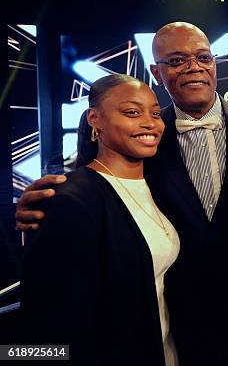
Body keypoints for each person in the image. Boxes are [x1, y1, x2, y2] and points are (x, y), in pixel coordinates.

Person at [16, 22, 228, 365]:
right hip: (178, 331)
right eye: (176, 61)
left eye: (203, 57)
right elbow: (48, 324)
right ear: (157, 73)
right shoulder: (145, 145)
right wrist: (44, 208)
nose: (193, 67)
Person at [20, 74, 178, 365]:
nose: (150, 122)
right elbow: (51, 325)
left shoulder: (159, 186)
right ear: (95, 118)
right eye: (132, 112)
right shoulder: (69, 199)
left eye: (155, 113)